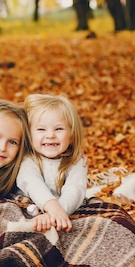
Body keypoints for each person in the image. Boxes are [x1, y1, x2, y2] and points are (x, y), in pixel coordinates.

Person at [16, 94, 87, 233]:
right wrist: (52, 207)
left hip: (62, 210)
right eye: (41, 129)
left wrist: (56, 214)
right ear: (29, 135)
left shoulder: (76, 161)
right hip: (27, 207)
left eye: (59, 129)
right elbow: (32, 183)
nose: (50, 135)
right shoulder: (28, 159)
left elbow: (75, 190)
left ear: (71, 135)